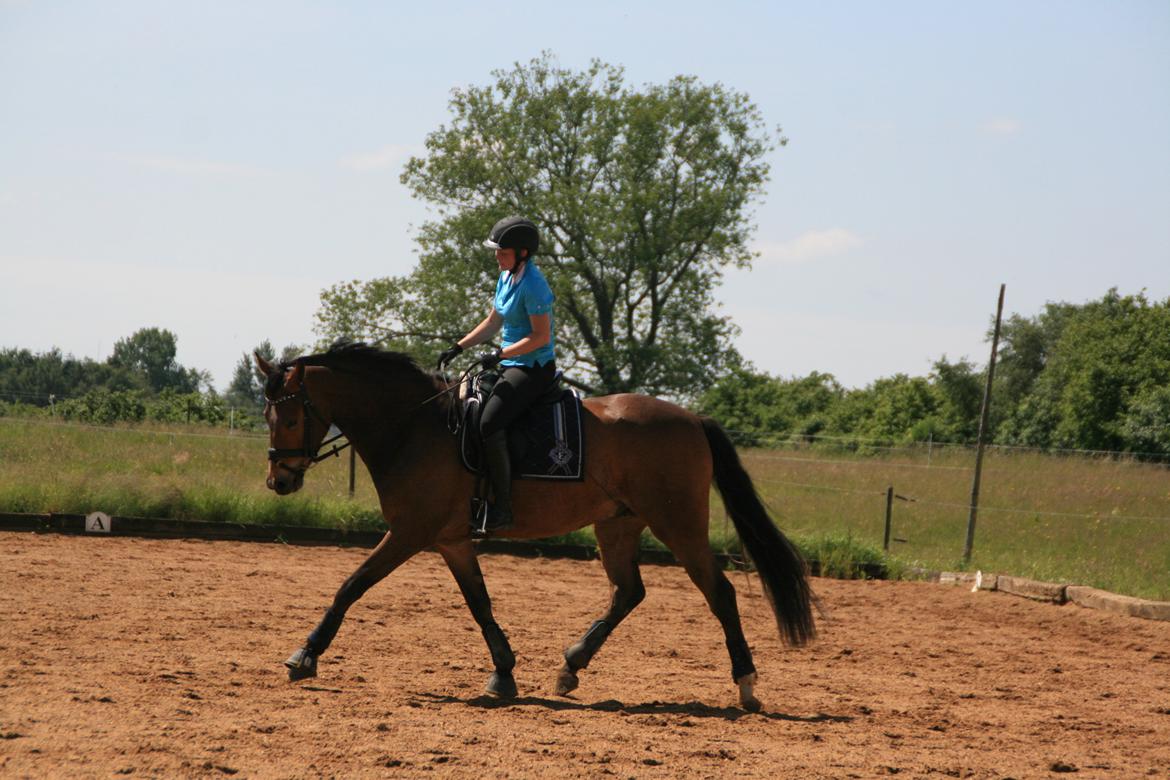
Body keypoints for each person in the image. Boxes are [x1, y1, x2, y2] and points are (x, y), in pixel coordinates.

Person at [437, 216, 556, 530]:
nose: (496, 256)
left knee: (489, 423)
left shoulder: (534, 286)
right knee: (467, 409)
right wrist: (458, 347)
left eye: (502, 251)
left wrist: (500, 354)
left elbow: (540, 337)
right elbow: (493, 322)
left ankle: (503, 508)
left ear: (523, 254)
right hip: (509, 362)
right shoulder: (506, 276)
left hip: (534, 368)